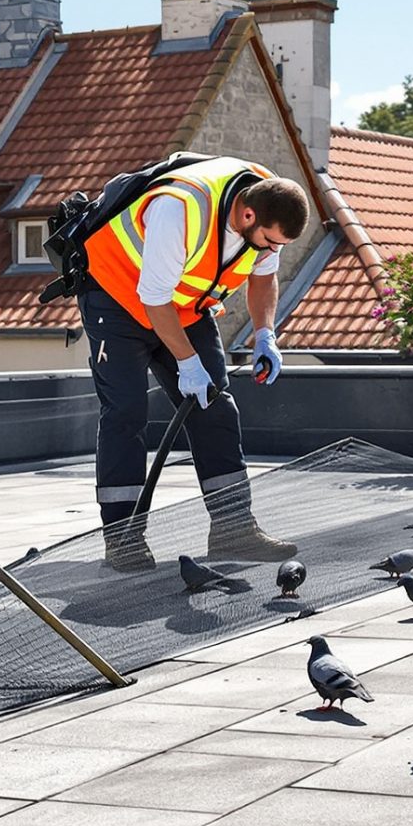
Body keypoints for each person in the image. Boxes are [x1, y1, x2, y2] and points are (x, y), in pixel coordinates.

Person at [79, 155, 310, 568]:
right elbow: (153, 298)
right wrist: (187, 363)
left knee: (216, 409)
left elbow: (262, 276)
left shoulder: (269, 201)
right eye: (270, 241)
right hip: (116, 298)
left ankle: (234, 531)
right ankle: (123, 541)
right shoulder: (180, 208)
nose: (272, 250)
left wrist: (265, 334)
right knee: (126, 413)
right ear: (248, 213)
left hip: (182, 306)